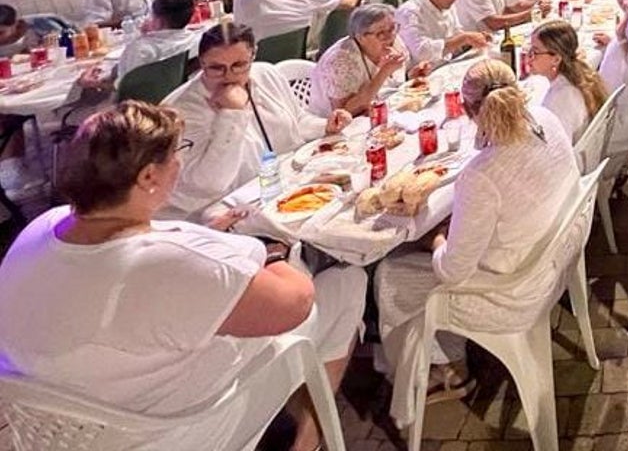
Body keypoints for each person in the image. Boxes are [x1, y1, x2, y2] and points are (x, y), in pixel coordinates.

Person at [0, 102, 369, 451]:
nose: (179, 162)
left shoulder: (42, 228)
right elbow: (295, 304)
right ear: (148, 176)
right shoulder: (159, 265)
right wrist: (274, 249)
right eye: (178, 153)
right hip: (168, 433)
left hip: (57, 429)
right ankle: (307, 442)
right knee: (344, 284)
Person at [373, 60, 579, 428]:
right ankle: (443, 356)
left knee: (391, 271)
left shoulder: (482, 173)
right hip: (551, 254)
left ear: (469, 111)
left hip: (513, 290)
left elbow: (453, 271)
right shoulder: (545, 118)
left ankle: (445, 369)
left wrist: (437, 239)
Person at [164, 23, 352, 217]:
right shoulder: (180, 112)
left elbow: (297, 120)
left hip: (288, 186)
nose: (229, 76)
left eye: (239, 65)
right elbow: (210, 183)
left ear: (253, 55)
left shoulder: (266, 73)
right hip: (222, 213)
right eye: (216, 68)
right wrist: (232, 114)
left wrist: (325, 126)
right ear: (201, 64)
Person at [311, 4, 429, 117]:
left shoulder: (394, 40)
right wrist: (384, 71)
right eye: (380, 33)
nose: (390, 36)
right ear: (360, 37)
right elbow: (343, 113)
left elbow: (393, 85)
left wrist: (412, 75)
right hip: (333, 126)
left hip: (382, 107)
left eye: (393, 28)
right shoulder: (340, 61)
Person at [527, 19, 608, 142]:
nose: (528, 57)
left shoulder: (560, 99)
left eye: (535, 52)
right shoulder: (581, 74)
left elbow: (551, 149)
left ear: (556, 59)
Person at [394, 0, 489, 64]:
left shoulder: (446, 3)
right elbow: (421, 52)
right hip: (425, 72)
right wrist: (463, 39)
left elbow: (456, 33)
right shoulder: (409, 12)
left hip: (449, 64)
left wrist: (473, 40)